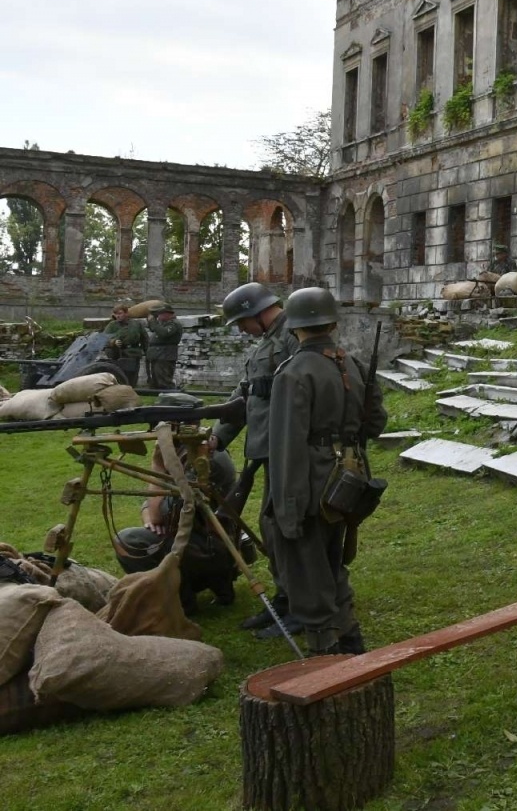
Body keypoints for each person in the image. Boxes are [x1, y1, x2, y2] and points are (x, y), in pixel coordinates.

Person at [267, 286, 387, 655]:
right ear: (332, 322)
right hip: (350, 476)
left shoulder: (294, 372)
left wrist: (287, 508)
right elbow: (376, 422)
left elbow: (286, 444)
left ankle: (325, 643)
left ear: (294, 327)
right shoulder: (352, 363)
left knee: (305, 561)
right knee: (334, 556)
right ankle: (348, 631)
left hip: (310, 482)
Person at [211, 281, 300, 637]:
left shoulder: (295, 336)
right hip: (266, 447)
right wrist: (218, 434)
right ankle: (284, 598)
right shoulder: (267, 343)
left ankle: (297, 604)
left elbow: (305, 385)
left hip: (288, 447)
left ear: (258, 313)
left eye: (243, 322)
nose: (244, 331)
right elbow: (244, 395)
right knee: (270, 526)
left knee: (285, 527)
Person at [114, 442, 242, 614]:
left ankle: (180, 603)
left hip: (211, 551)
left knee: (126, 541)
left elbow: (159, 512)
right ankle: (209, 587)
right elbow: (152, 507)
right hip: (203, 543)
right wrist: (150, 516)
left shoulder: (203, 458)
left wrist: (158, 466)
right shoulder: (189, 451)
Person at [103, 303, 147, 387]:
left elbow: (145, 339)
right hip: (117, 355)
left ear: (126, 313)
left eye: (120, 313)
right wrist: (113, 342)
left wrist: (145, 351)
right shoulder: (112, 325)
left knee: (132, 378)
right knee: (119, 377)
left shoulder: (136, 325)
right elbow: (103, 340)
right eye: (116, 314)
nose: (117, 316)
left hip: (133, 353)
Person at [144, 303, 183, 391]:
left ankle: (171, 397)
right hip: (158, 355)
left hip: (165, 355)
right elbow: (154, 329)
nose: (158, 316)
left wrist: (153, 322)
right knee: (156, 381)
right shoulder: (163, 323)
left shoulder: (173, 324)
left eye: (160, 313)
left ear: (168, 314)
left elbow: (163, 333)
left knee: (164, 381)